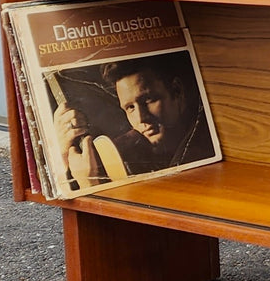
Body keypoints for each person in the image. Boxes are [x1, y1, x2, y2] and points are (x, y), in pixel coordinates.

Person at [54, 53, 216, 190]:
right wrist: (62, 156)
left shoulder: (203, 146)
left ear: (177, 91)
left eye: (148, 100)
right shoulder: (141, 153)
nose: (140, 118)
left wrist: (89, 184)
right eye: (130, 107)